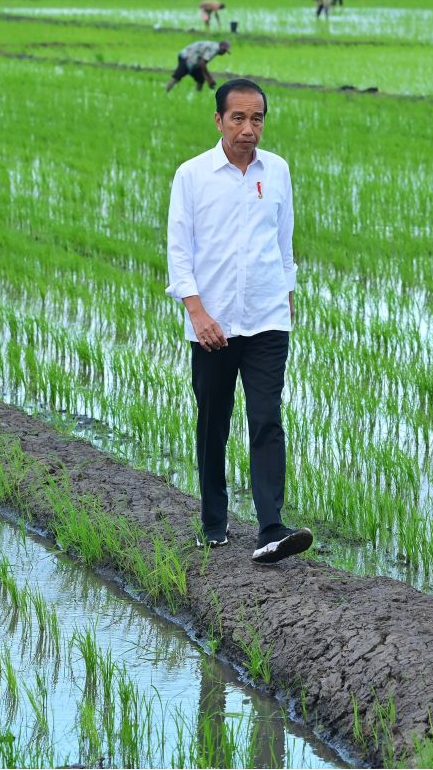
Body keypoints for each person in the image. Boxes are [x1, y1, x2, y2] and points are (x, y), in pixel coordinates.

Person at [165, 78, 313, 564]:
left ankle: (271, 527)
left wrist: (286, 292)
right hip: (214, 325)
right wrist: (197, 312)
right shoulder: (192, 175)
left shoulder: (278, 171)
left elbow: (284, 239)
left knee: (266, 419)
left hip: (267, 318)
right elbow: (179, 252)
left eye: (257, 119)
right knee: (214, 423)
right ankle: (214, 519)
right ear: (219, 121)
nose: (249, 129)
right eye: (239, 119)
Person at [165, 40, 230, 92]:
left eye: (225, 51)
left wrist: (208, 79)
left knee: (200, 79)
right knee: (177, 77)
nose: (224, 53)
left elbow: (201, 63)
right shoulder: (215, 49)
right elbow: (203, 63)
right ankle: (166, 92)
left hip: (193, 60)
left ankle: (198, 96)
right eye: (224, 50)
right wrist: (209, 79)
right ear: (220, 46)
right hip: (187, 57)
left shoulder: (214, 46)